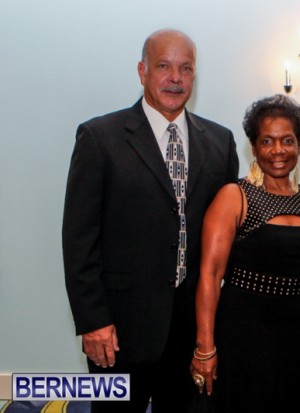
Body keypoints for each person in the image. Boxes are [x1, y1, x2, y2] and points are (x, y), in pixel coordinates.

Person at [62, 29, 239, 413]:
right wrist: (92, 321)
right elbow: (79, 239)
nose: (175, 78)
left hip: (192, 332)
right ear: (142, 71)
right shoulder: (99, 138)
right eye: (164, 66)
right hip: (118, 331)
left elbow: (227, 238)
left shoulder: (220, 143)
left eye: (185, 68)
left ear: (194, 75)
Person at [190, 94, 300, 413]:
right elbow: (210, 275)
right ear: (253, 147)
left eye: (287, 140)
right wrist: (205, 347)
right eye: (267, 141)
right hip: (243, 336)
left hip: (296, 336)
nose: (278, 150)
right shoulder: (234, 197)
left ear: (299, 146)